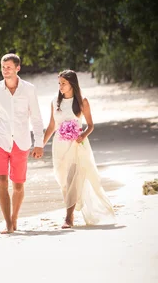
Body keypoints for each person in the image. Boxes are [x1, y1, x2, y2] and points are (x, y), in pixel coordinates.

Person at [42, 70, 116, 228]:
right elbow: (51, 125)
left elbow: (90, 125)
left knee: (72, 179)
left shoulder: (82, 102)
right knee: (62, 180)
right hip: (59, 145)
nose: (60, 86)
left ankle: (68, 218)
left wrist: (83, 135)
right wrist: (40, 145)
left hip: (77, 146)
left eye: (64, 83)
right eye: (59, 83)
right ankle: (71, 211)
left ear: (72, 84)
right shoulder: (55, 101)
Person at [0, 53, 45, 234]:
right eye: (3, 67)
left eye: (9, 67)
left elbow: (36, 117)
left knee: (18, 185)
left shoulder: (29, 89)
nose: (5, 70)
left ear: (18, 68)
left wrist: (39, 143)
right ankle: (8, 223)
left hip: (21, 142)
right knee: (1, 181)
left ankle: (15, 217)